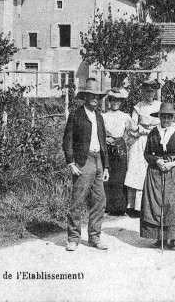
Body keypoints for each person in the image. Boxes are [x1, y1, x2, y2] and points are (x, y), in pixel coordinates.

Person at [62, 78, 110, 251]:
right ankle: (73, 238)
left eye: (98, 96)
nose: (95, 98)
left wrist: (106, 166)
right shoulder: (76, 115)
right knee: (78, 201)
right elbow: (67, 140)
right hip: (83, 161)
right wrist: (71, 162)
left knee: (99, 201)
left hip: (98, 161)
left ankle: (95, 237)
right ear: (86, 96)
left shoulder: (99, 117)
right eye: (92, 95)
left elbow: (103, 142)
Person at [140, 103, 175, 250]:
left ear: (173, 117)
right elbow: (147, 153)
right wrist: (157, 160)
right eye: (163, 116)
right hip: (156, 172)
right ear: (159, 117)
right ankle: (160, 237)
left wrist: (172, 163)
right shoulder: (153, 133)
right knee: (156, 204)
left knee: (174, 204)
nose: (166, 119)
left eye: (169, 116)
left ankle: (174, 238)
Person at [125, 80, 161, 216]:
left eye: (152, 91)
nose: (149, 93)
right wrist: (143, 130)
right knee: (137, 170)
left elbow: (166, 123)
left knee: (153, 169)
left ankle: (153, 205)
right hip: (141, 141)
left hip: (156, 140)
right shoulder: (138, 107)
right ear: (143, 92)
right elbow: (133, 126)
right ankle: (135, 207)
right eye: (147, 91)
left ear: (155, 92)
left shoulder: (160, 105)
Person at [102, 87, 132, 216]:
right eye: (112, 100)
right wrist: (106, 139)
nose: (115, 103)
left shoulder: (125, 116)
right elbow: (100, 132)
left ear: (121, 102)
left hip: (120, 147)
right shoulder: (103, 116)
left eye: (117, 101)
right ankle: (107, 206)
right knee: (108, 175)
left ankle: (120, 207)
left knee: (120, 176)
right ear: (109, 101)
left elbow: (132, 132)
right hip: (107, 146)